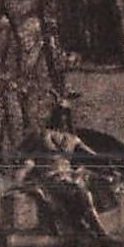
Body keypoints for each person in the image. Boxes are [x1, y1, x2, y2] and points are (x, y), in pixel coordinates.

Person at [14, 102, 114, 239]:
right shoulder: (41, 134)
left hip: (69, 177)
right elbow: (21, 153)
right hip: (49, 177)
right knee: (78, 193)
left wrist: (109, 162)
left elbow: (94, 156)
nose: (63, 119)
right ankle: (99, 233)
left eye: (66, 115)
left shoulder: (73, 139)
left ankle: (94, 231)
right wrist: (26, 167)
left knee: (86, 191)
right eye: (60, 114)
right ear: (54, 116)